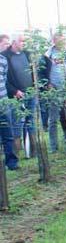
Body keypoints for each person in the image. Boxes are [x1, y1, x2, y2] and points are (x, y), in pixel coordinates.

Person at [38, 33, 66, 153]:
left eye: (64, 40)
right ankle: (53, 146)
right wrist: (47, 85)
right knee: (53, 119)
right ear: (54, 41)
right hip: (54, 91)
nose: (63, 43)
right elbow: (40, 74)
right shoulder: (46, 55)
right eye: (61, 41)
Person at [1, 34, 37, 158]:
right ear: (14, 42)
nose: (23, 43)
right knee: (18, 123)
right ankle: (17, 151)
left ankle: (33, 150)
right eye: (21, 41)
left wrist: (34, 86)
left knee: (31, 121)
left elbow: (33, 72)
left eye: (24, 41)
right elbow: (4, 79)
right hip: (16, 95)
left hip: (30, 93)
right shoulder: (5, 56)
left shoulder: (27, 54)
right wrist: (14, 91)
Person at [0, 35, 17, 170]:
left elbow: (4, 79)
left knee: (8, 133)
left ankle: (11, 162)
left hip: (4, 101)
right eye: (5, 44)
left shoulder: (3, 60)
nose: (7, 46)